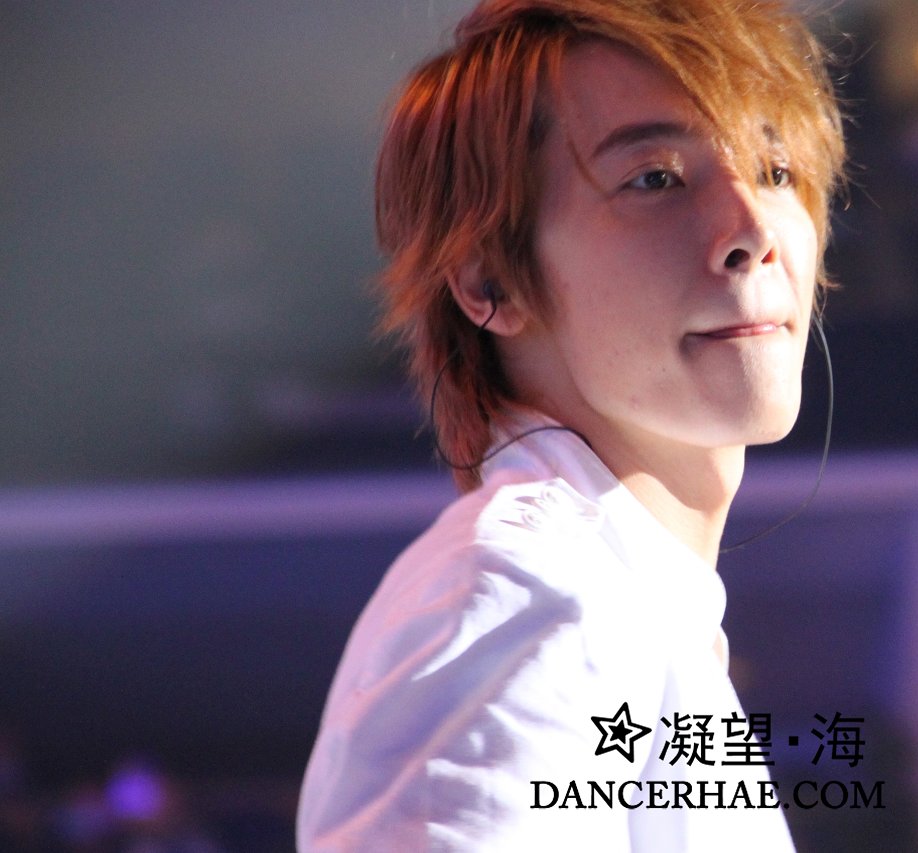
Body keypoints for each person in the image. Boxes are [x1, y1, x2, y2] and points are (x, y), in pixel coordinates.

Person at [297, 0, 845, 849]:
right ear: (489, 280)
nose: (751, 232)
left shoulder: (616, 601)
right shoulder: (534, 589)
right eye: (655, 178)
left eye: (775, 170)